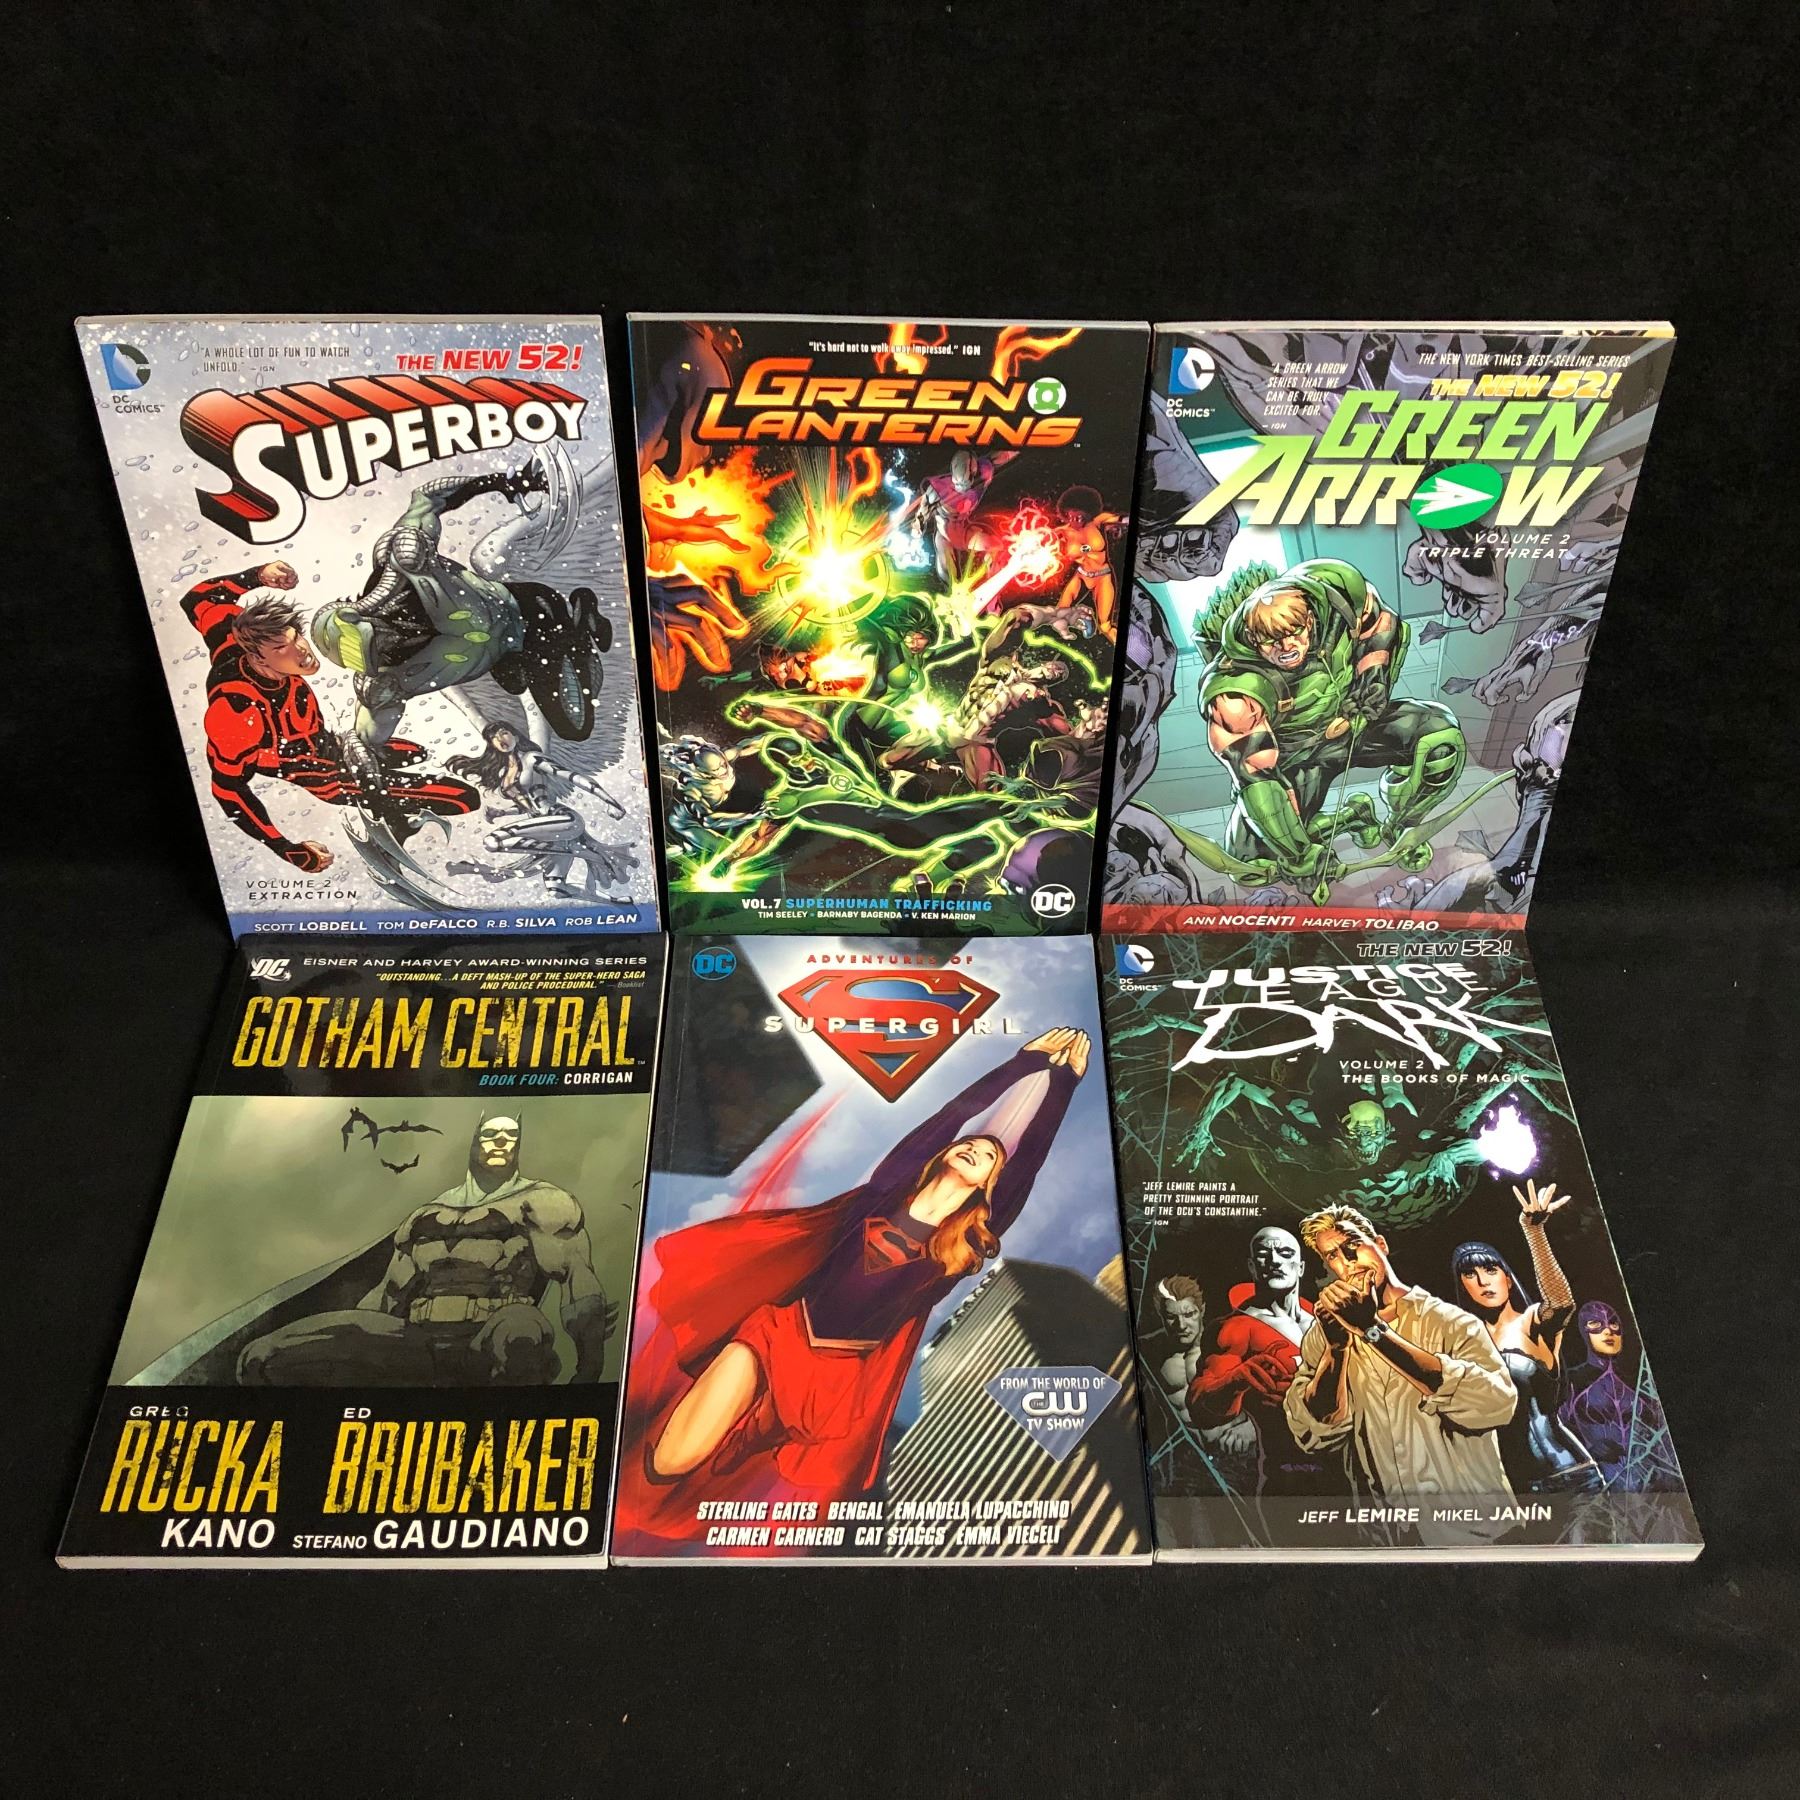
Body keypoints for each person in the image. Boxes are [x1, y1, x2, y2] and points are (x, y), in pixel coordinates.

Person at [640, 1030, 1088, 1493]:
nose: (976, 1145)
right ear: (944, 1152)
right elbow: (951, 1116)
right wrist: (1020, 1064)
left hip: (835, 1374)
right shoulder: (883, 1195)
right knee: (668, 1463)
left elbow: (1028, 1163)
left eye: (991, 1154)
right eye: (971, 1141)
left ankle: (758, 1432)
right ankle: (725, 1439)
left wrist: (1063, 1084)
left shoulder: (960, 1250)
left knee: (763, 1439)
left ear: (990, 1184)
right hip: (782, 1328)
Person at [237, 1115, 613, 1386]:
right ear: (474, 1143)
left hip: (492, 1333)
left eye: (510, 1136)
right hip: (420, 1340)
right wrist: (356, 1340)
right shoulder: (425, 1216)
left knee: (519, 1336)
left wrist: (589, 1368)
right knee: (264, 1355)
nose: (501, 1142)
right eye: (491, 1134)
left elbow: (577, 1278)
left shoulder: (541, 1203)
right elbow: (386, 1296)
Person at [182, 562, 475, 869]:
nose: (301, 650)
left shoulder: (233, 638)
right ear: (258, 658)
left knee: (415, 752)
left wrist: (257, 575)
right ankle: (394, 825)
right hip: (319, 774)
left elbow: (197, 599)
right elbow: (227, 789)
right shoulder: (236, 714)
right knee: (462, 797)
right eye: (282, 648)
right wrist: (286, 849)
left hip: (330, 742)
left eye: (296, 636)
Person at [1283, 1203, 1517, 1539]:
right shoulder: (1323, 1335)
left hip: (1477, 1532)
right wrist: (1336, 1349)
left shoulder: (1451, 1322)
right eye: (1332, 1255)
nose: (1348, 1261)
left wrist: (1372, 1330)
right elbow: (1313, 1431)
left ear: (1380, 1243)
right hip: (1387, 1537)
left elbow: (1498, 1404)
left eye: (1353, 1245)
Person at [1450, 1179, 1603, 1496]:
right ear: (1462, 1285)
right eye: (1470, 1274)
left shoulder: (1531, 1321)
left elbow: (1560, 1303)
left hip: (1569, 1476)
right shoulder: (1464, 1342)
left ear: (1507, 1278)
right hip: (1513, 1489)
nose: (1483, 1281)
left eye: (1491, 1270)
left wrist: (1534, 1233)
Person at [1190, 1225, 1325, 1496]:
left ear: (1300, 1267)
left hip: (1355, 1468)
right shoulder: (1236, 1329)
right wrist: (1235, 1381)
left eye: (1285, 1253)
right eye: (1264, 1254)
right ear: (1252, 1267)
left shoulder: (1323, 1316)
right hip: (1290, 1475)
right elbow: (1201, 1406)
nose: (1274, 1260)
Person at [1559, 1301, 1679, 1490]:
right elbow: (1557, 1430)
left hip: (1650, 1483)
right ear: (1584, 1331)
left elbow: (1662, 1434)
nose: (1608, 1331)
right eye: (1596, 1324)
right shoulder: (1573, 1381)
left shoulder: (1637, 1381)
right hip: (1605, 1483)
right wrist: (1589, 1450)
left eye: (1613, 1324)